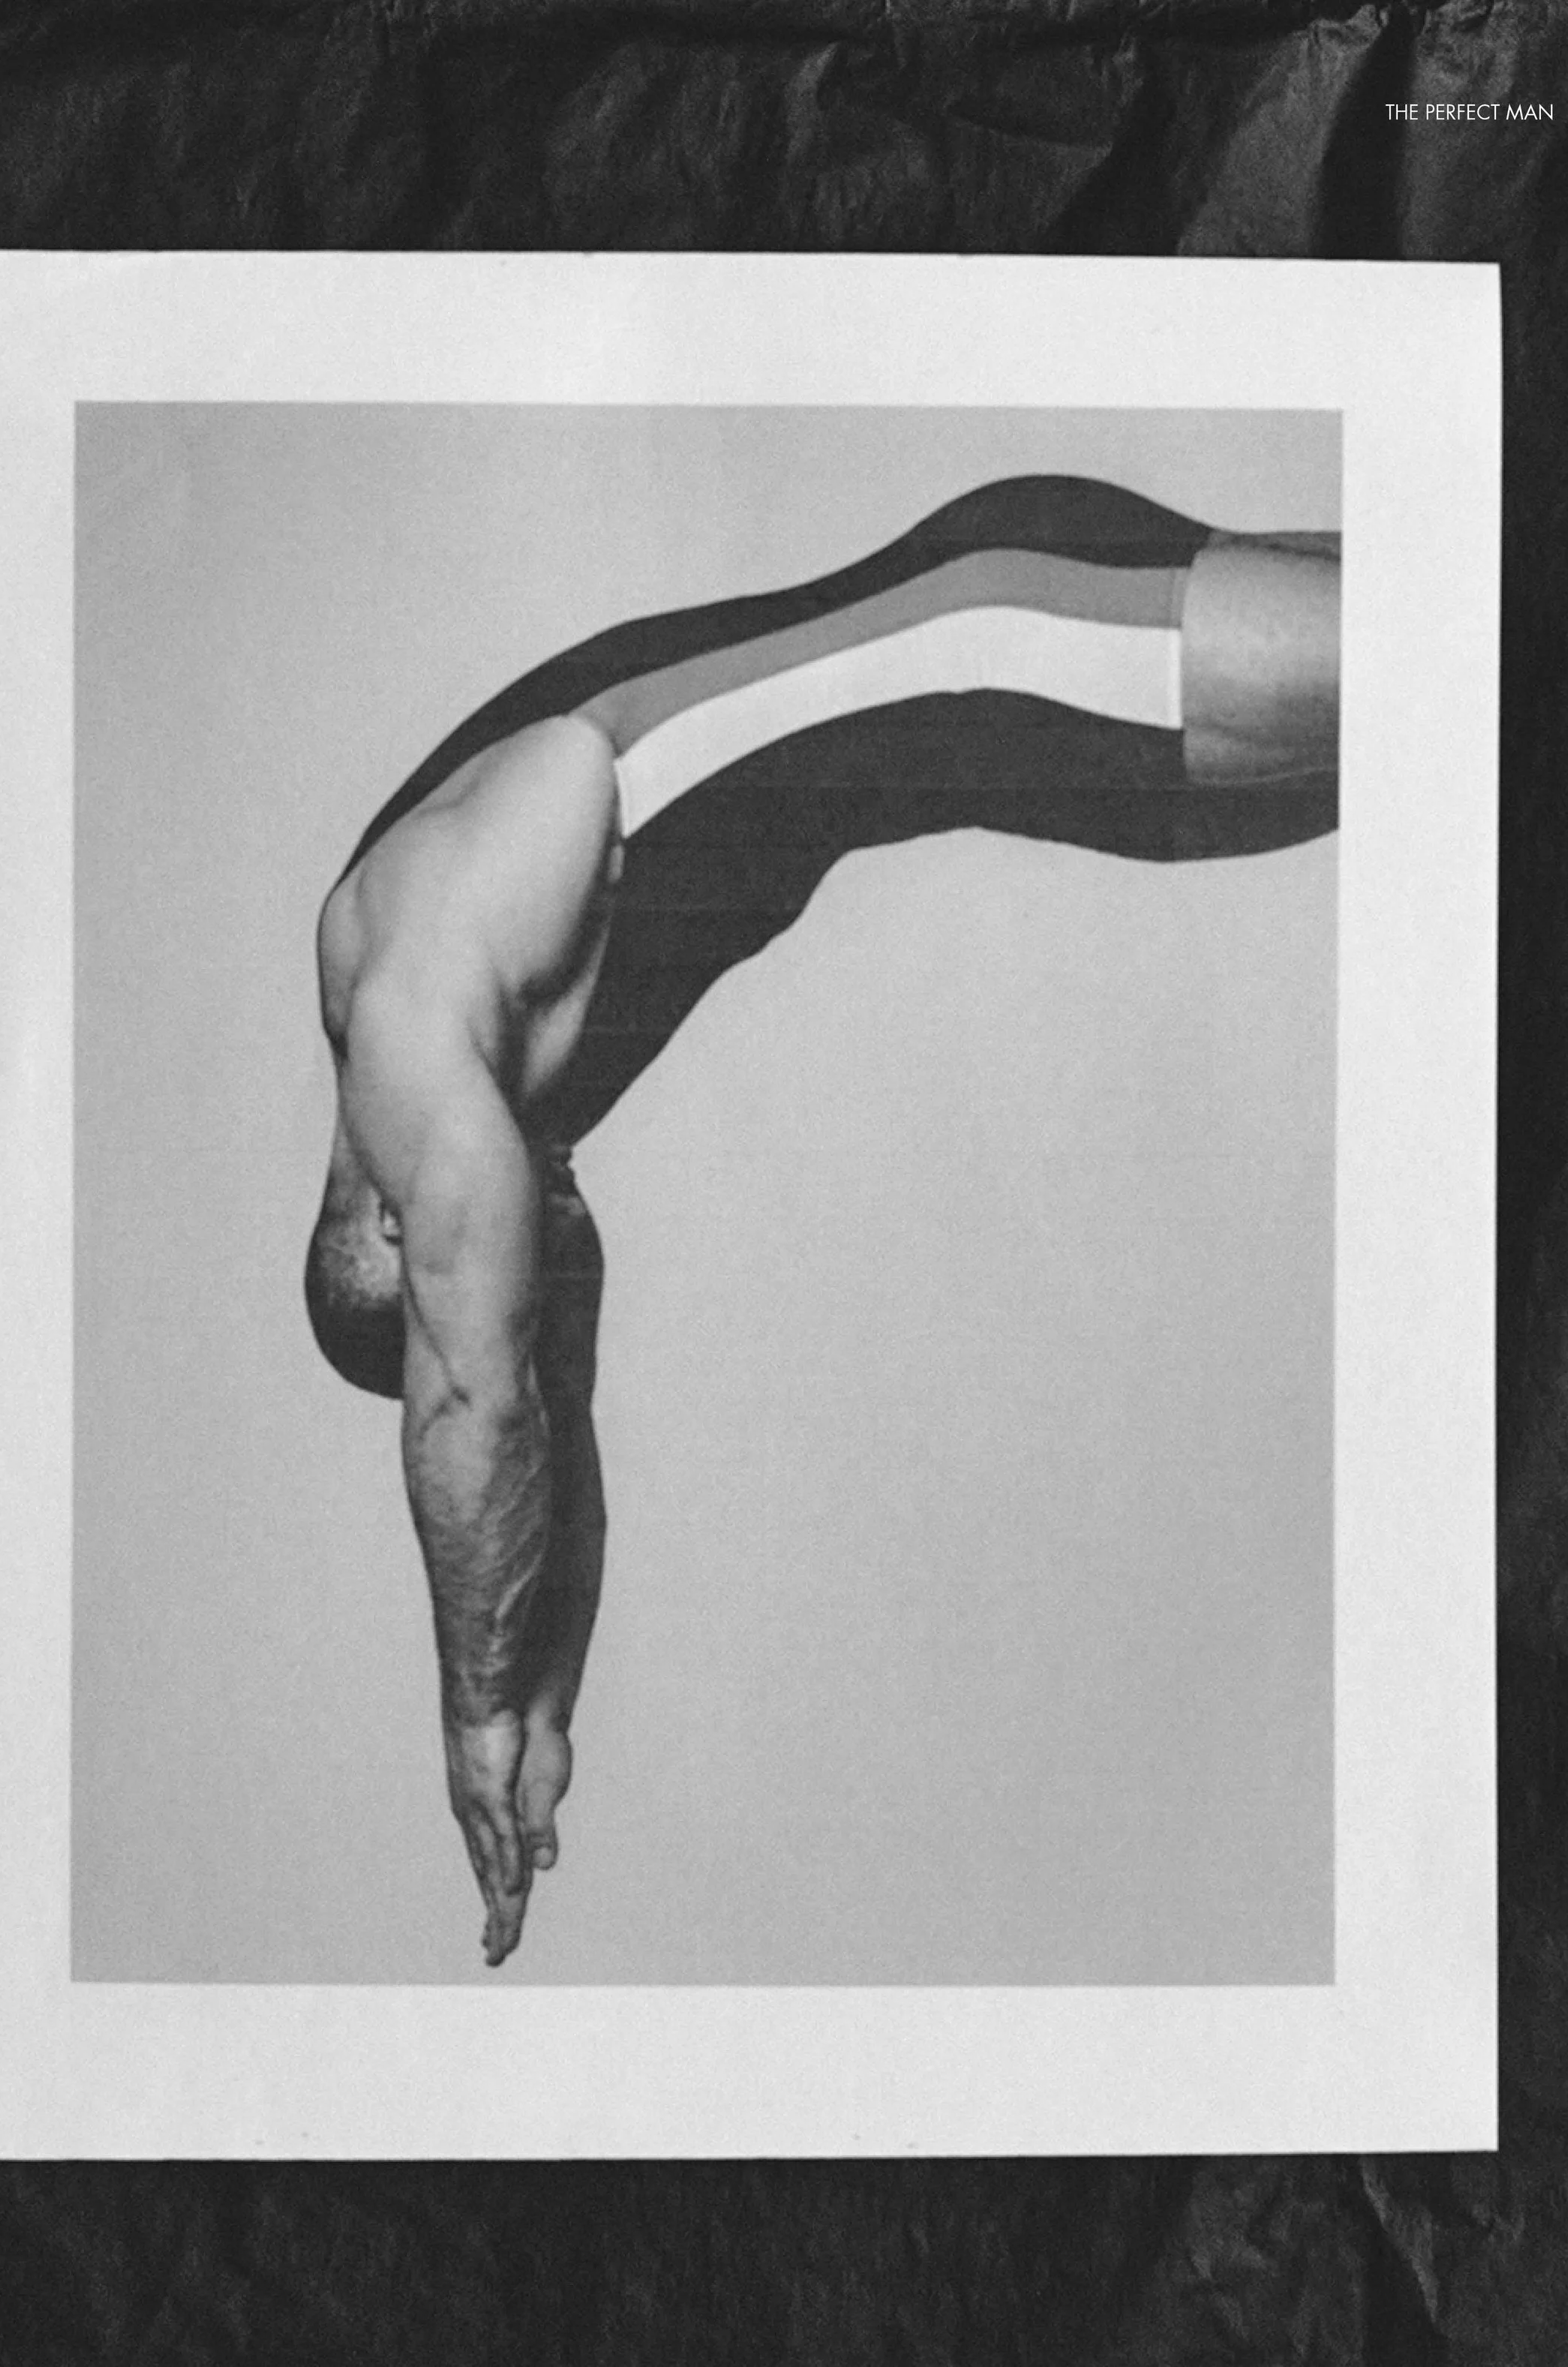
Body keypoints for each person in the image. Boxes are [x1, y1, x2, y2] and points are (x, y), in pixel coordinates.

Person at [306, 475, 1341, 1965]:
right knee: (1500, 663)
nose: (529, 1260)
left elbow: (476, 1402)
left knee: (1466, 652)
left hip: (991, 642)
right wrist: (538, 1706)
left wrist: (467, 1717)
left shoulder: (404, 994)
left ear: (406, 1236)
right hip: (1005, 712)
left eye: (466, 1292)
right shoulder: (500, 1106)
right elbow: (545, 1437)